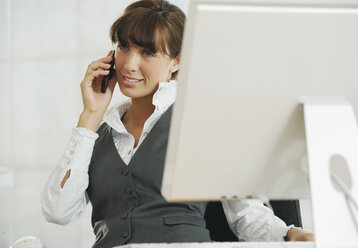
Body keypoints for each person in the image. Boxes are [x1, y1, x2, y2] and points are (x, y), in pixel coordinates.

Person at [41, 0, 314, 247]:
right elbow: (58, 212)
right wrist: (90, 115)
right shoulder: (95, 134)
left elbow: (246, 215)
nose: (129, 65)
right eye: (123, 47)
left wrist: (290, 234)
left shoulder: (202, 123)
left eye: (147, 52)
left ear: (177, 61)